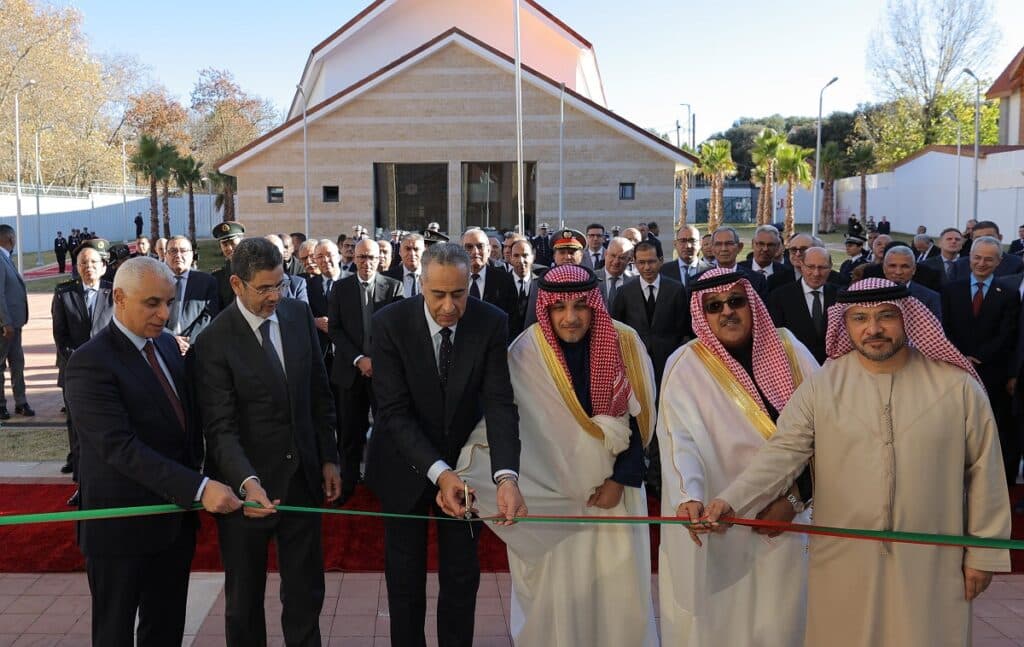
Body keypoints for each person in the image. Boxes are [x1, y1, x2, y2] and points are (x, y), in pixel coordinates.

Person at [702, 278, 1011, 647]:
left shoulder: (957, 387)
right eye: (860, 318)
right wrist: (731, 500)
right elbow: (782, 453)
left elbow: (985, 469)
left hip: (930, 560)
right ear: (844, 325)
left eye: (886, 316)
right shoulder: (824, 385)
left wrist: (984, 552)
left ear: (907, 319)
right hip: (843, 558)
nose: (874, 328)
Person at [457, 264, 658, 646]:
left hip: (613, 496)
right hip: (549, 496)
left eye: (581, 305)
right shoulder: (526, 351)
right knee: (554, 598)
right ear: (545, 308)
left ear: (594, 305)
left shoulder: (625, 342)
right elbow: (508, 422)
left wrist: (621, 479)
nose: (570, 317)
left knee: (617, 595)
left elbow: (642, 421)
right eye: (559, 307)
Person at [65, 256, 241, 646]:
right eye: (152, 303)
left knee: (164, 631)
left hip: (172, 528)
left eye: (168, 302)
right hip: (119, 530)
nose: (164, 314)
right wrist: (198, 488)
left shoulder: (166, 346)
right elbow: (120, 448)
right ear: (120, 298)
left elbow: (189, 429)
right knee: (114, 633)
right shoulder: (89, 363)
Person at [367, 242, 526, 646]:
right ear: (421, 285)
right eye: (438, 295)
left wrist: (506, 476)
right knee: (404, 584)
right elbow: (393, 413)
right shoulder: (389, 323)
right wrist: (441, 474)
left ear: (471, 282)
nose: (450, 306)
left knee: (461, 579)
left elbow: (500, 403)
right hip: (404, 467)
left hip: (467, 470)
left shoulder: (491, 322)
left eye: (459, 293)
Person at [659, 268, 818, 646]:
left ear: (752, 303)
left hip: (789, 518)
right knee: (720, 626)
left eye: (736, 301)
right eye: (714, 306)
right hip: (719, 523)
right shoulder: (685, 365)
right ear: (702, 314)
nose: (727, 312)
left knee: (784, 623)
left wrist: (794, 500)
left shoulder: (791, 350)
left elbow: (828, 435)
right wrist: (690, 498)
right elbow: (679, 442)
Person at [195, 238, 341, 647]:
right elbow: (220, 429)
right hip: (245, 496)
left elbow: (319, 395)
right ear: (237, 284)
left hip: (302, 485)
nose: (276, 296)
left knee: (305, 596)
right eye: (264, 288)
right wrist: (246, 481)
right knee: (243, 605)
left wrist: (329, 458)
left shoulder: (297, 315)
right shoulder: (214, 342)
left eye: (281, 284)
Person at [942, 236, 1021, 486]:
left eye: (989, 259)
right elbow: (945, 328)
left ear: (998, 262)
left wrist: (982, 356)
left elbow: (1008, 332)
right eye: (977, 257)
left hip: (991, 374)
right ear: (969, 259)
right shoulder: (951, 289)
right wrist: (960, 356)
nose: (981, 263)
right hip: (955, 370)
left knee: (990, 429)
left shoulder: (1007, 294)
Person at [328, 238, 402, 503]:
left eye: (372, 257)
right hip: (350, 373)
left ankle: (383, 484)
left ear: (380, 259)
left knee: (386, 432)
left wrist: (376, 362)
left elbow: (396, 332)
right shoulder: (340, 288)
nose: (367, 262)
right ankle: (347, 487)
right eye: (361, 257)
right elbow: (335, 329)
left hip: (382, 375)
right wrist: (359, 359)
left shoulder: (394, 287)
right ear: (353, 259)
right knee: (349, 433)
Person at [52, 239, 113, 485]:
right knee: (77, 429)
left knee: (108, 424)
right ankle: (82, 483)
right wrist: (81, 361)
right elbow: (60, 335)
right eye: (83, 263)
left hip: (109, 371)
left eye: (93, 262)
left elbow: (120, 330)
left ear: (103, 266)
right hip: (74, 372)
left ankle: (108, 479)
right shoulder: (64, 294)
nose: (88, 267)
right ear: (76, 267)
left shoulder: (115, 292)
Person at [609, 241, 689, 387]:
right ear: (634, 262)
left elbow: (684, 329)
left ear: (661, 260)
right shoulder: (624, 292)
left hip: (669, 364)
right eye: (641, 262)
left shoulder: (676, 290)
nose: (646, 267)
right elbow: (616, 329)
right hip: (635, 363)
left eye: (651, 262)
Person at [768, 247, 837, 365]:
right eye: (810, 267)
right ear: (801, 266)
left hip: (833, 368)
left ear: (830, 268)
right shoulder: (779, 297)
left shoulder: (840, 296)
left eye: (822, 267)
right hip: (796, 366)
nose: (816, 273)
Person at [163, 236, 219, 355]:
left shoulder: (207, 282)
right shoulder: (155, 282)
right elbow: (149, 315)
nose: (178, 255)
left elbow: (209, 317)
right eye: (173, 251)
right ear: (165, 255)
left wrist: (187, 343)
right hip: (164, 348)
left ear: (192, 254)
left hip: (196, 350)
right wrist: (171, 339)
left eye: (183, 251)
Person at [0, 225, 31, 419]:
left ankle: (21, 402)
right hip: (6, 326)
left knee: (17, 363)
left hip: (15, 324)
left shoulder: (6, 258)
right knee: (1, 365)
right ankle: (1, 405)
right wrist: (6, 322)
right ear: (10, 239)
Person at [882, 245, 942, 321]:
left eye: (905, 266)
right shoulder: (870, 292)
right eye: (892, 266)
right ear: (884, 268)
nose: (898, 272)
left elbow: (934, 329)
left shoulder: (930, 298)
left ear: (914, 270)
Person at [738, 224, 795, 292]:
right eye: (761, 244)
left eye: (770, 245)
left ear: (777, 247)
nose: (765, 249)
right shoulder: (739, 270)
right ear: (753, 244)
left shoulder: (786, 274)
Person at [211, 221, 246, 309]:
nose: (229, 248)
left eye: (232, 242)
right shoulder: (217, 277)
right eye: (225, 244)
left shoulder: (255, 269)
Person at [597, 236, 636, 305]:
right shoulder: (592, 279)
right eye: (613, 255)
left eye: (621, 258)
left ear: (629, 260)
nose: (616, 262)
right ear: (606, 254)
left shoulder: (635, 281)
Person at [386, 233, 426, 297]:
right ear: (400, 252)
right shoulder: (387, 278)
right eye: (407, 249)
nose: (412, 254)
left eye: (416, 249)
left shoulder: (433, 276)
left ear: (424, 252)